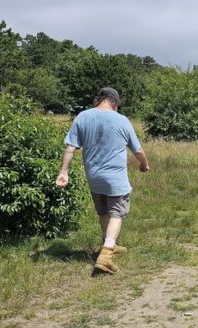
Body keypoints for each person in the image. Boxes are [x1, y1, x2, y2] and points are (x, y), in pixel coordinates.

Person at [55, 87, 150, 274]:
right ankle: (106, 255)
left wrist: (63, 172)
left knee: (103, 212)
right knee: (116, 213)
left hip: (93, 177)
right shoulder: (122, 120)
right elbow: (138, 151)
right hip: (115, 179)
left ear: (99, 100)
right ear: (114, 102)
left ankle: (110, 244)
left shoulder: (82, 117)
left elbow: (70, 147)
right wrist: (144, 164)